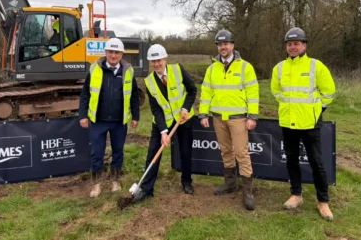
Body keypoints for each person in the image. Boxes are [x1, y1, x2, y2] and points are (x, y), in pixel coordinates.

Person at [271, 27, 336, 221]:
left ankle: (323, 201)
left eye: (296, 44)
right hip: (288, 122)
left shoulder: (316, 66)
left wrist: (316, 111)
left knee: (317, 162)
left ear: (304, 45)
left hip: (310, 123)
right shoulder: (279, 68)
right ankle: (296, 194)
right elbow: (276, 91)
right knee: (291, 159)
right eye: (289, 44)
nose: (292, 47)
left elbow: (329, 92)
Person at [199, 29, 259, 211]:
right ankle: (230, 184)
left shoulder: (245, 67)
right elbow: (206, 92)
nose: (223, 47)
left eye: (226, 44)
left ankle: (247, 192)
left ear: (232, 45)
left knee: (241, 153)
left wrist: (253, 116)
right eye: (220, 44)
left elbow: (253, 92)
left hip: (239, 118)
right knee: (226, 151)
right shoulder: (212, 68)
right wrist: (203, 113)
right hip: (218, 118)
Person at [130, 44, 197, 205]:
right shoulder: (149, 81)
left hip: (183, 119)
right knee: (153, 154)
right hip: (162, 123)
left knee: (186, 152)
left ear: (165, 59)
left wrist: (185, 108)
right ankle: (146, 189)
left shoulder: (178, 70)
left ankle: (186, 182)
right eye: (152, 61)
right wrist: (163, 132)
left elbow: (192, 90)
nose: (156, 64)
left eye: (158, 60)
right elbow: (155, 109)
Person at [79, 37, 140, 197]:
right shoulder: (95, 69)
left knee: (118, 151)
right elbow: (85, 94)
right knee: (97, 153)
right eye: (111, 52)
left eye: (117, 52)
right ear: (106, 53)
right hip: (98, 121)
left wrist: (136, 116)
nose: (113, 55)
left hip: (119, 121)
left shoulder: (128, 71)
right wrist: (83, 115)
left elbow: (134, 95)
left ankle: (115, 180)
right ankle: (97, 184)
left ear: (121, 54)